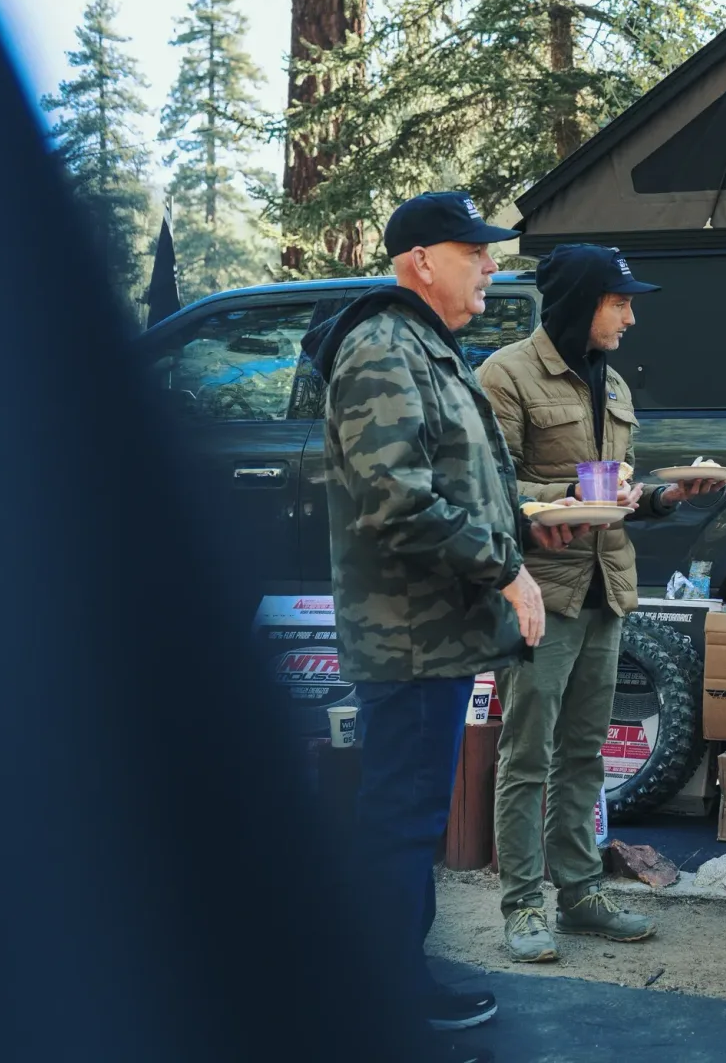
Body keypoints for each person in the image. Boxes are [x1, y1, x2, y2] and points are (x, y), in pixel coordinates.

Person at [303, 191, 588, 1041]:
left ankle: (392, 976)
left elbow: (465, 486)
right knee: (400, 819)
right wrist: (510, 574)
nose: (491, 266)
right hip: (408, 636)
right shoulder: (384, 346)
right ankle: (382, 995)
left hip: (432, 631)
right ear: (422, 260)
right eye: (476, 252)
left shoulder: (429, 346)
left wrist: (539, 517)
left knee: (408, 814)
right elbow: (396, 501)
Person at [478, 244, 723, 960]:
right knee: (528, 755)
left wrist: (664, 496)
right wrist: (558, 503)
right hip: (538, 592)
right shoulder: (505, 375)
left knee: (585, 754)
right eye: (619, 302)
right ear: (582, 301)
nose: (631, 316)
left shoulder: (611, 383)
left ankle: (580, 892)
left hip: (606, 588)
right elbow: (488, 490)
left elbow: (614, 492)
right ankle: (523, 905)